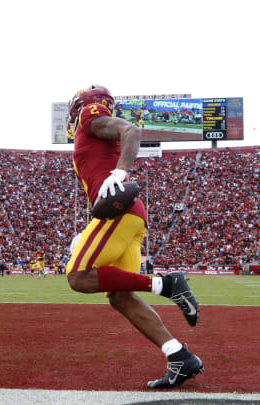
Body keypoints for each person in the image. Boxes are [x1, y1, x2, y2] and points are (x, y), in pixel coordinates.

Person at [65, 85, 202, 389]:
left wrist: (121, 171)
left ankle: (166, 283)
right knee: (120, 296)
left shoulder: (91, 115)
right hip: (128, 216)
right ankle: (179, 356)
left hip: (118, 212)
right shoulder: (93, 132)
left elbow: (129, 130)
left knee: (77, 276)